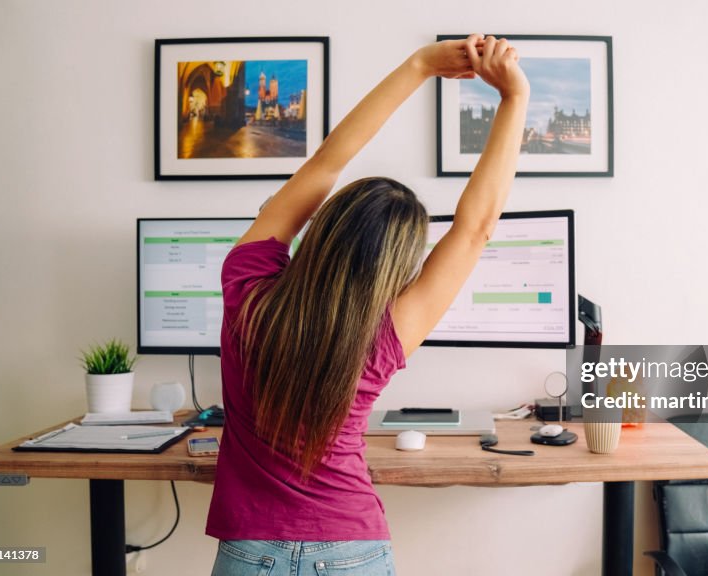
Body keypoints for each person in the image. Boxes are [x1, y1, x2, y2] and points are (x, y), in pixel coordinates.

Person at [207, 35, 529, 575]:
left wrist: (420, 65)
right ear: (396, 269)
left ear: (324, 225)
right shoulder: (388, 333)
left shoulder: (247, 288)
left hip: (248, 550)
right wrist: (514, 99)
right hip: (351, 550)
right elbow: (475, 229)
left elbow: (329, 161)